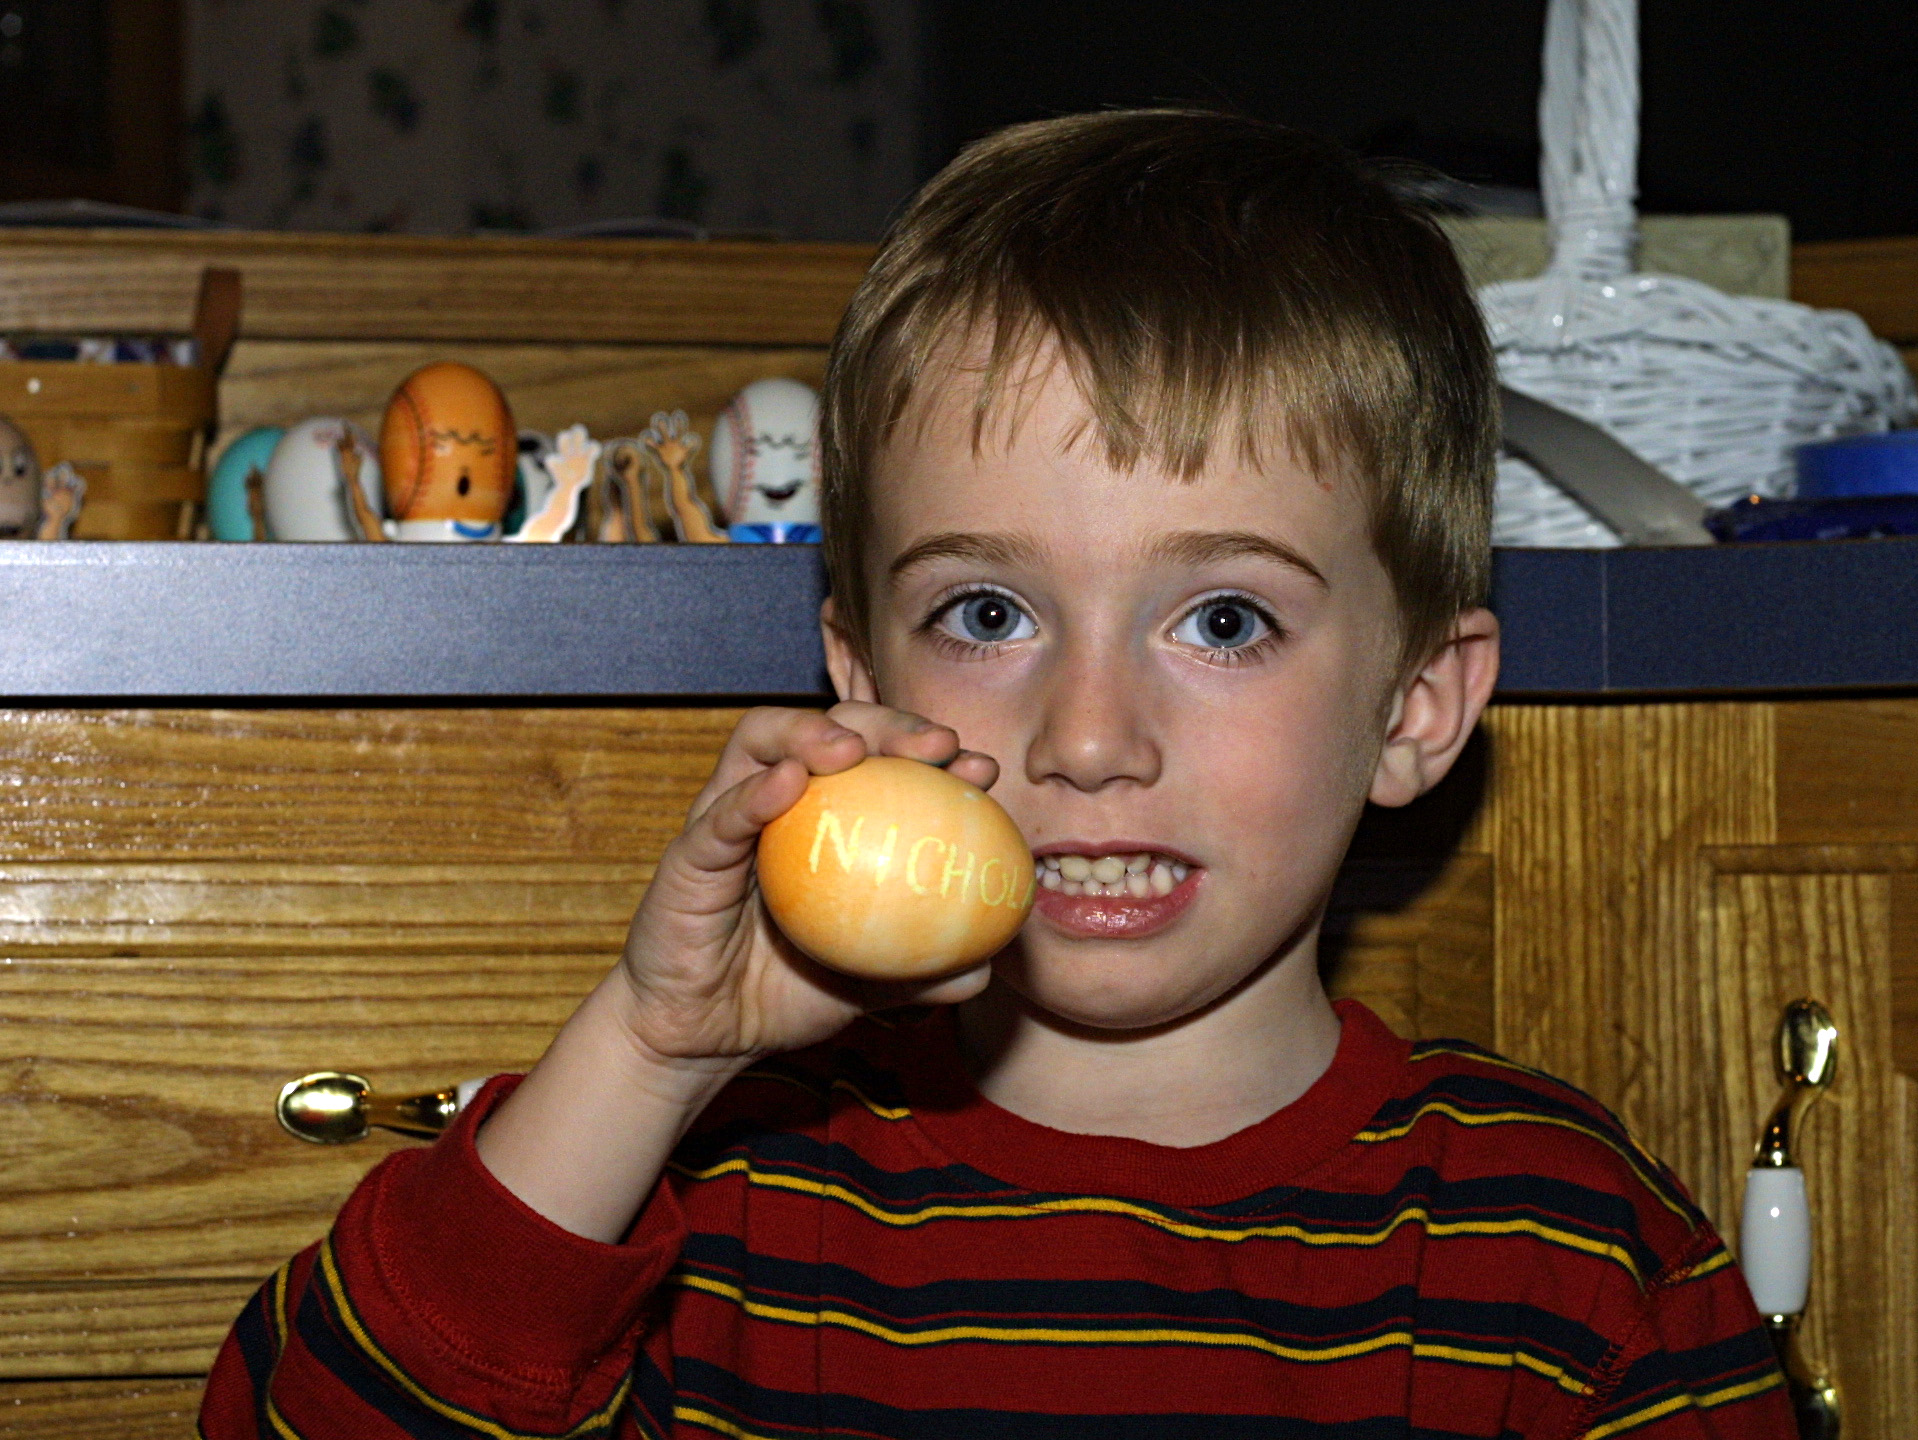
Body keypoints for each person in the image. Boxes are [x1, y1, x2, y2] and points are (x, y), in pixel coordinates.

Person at [201, 110, 1794, 1439]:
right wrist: (645, 1053)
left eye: (1223, 620)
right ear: (859, 680)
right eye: (987, 614)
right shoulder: (713, 1205)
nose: (1087, 739)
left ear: (1417, 709)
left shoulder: (1568, 1258)